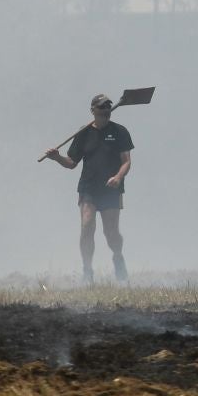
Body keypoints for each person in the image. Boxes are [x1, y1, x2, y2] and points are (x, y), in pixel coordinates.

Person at [43, 93, 134, 283]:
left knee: (111, 232)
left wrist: (118, 177)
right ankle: (87, 271)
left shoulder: (119, 131)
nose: (105, 111)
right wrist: (57, 157)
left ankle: (118, 258)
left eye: (108, 107)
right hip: (88, 188)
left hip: (112, 188)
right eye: (101, 107)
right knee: (86, 226)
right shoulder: (83, 133)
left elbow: (126, 161)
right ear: (93, 110)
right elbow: (71, 163)